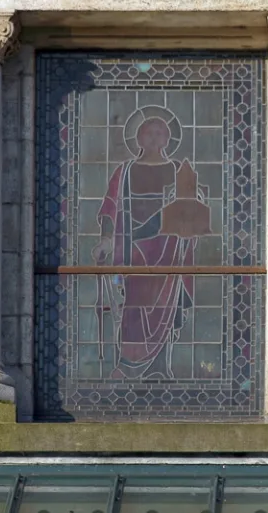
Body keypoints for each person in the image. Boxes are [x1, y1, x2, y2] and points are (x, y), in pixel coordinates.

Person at [92, 111, 212, 379]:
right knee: (134, 304)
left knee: (167, 306)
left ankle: (160, 366)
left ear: (168, 139)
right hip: (133, 248)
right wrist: (106, 239)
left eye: (160, 132)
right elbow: (110, 207)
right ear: (139, 138)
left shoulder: (177, 169)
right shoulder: (124, 172)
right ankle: (127, 364)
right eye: (149, 132)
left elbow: (193, 202)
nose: (154, 137)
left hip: (169, 248)